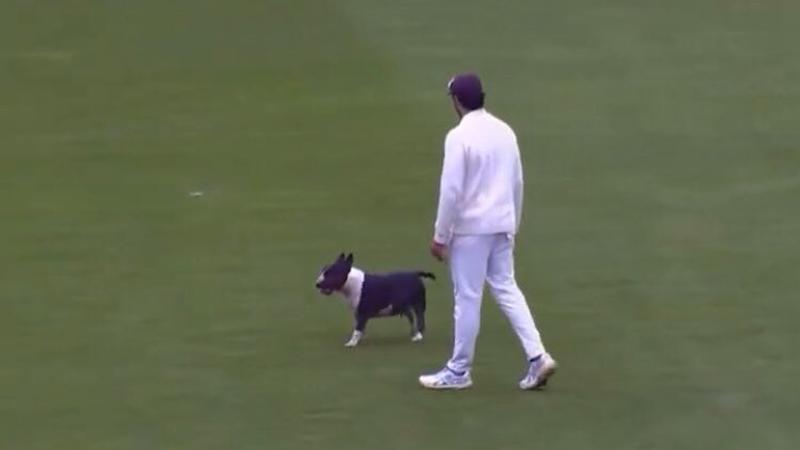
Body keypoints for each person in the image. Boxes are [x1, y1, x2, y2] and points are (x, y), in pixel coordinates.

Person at [419, 73, 557, 390]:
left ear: (456, 101)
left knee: (467, 297)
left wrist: (440, 236)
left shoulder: (458, 136)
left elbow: (451, 190)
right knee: (507, 288)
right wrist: (514, 224)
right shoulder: (504, 131)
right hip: (502, 224)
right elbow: (517, 182)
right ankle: (538, 356)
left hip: (470, 230)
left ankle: (458, 370)